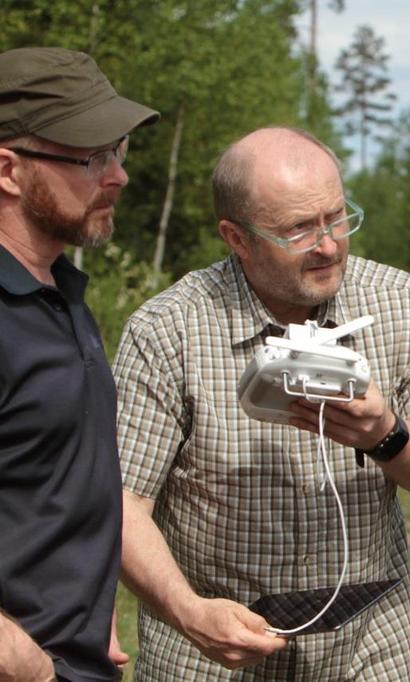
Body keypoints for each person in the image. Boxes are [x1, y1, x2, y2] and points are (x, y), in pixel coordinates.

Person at [112, 126, 410, 680]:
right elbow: (122, 503)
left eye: (337, 218)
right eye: (298, 230)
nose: (329, 244)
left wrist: (386, 434)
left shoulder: (407, 304)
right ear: (236, 237)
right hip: (211, 657)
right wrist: (188, 612)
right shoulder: (168, 329)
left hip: (368, 649)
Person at [0, 47, 159, 681]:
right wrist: (24, 662)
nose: (117, 175)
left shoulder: (58, 291)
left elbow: (55, 484)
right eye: (90, 157)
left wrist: (89, 594)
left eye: (118, 151)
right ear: (9, 169)